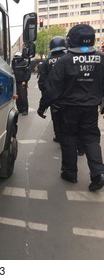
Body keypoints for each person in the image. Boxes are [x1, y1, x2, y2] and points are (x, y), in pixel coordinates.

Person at [37, 24, 104, 192]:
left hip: (69, 109)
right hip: (90, 108)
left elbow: (52, 88)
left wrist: (42, 107)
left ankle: (70, 173)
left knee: (68, 139)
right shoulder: (101, 58)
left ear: (71, 40)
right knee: (90, 138)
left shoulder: (64, 61)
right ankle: (98, 173)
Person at [38, 36, 67, 143]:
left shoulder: (46, 62)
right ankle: (78, 145)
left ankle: (59, 137)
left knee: (56, 119)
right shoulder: (69, 58)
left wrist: (45, 100)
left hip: (54, 98)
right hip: (70, 97)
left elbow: (42, 83)